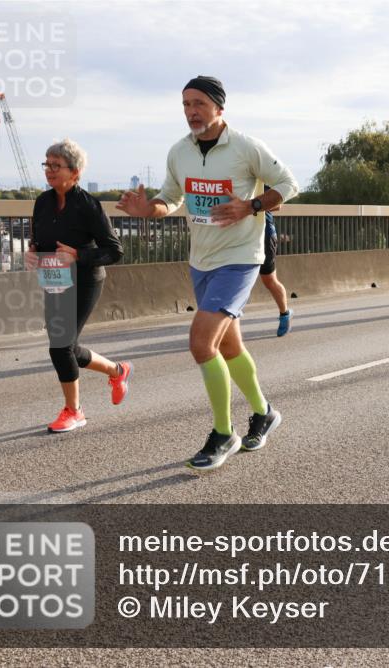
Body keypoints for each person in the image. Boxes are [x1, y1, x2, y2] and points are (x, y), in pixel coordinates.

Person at [117, 75, 298, 470]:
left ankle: (223, 433)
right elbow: (170, 198)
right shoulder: (178, 152)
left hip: (239, 258)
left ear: (219, 107)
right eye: (185, 104)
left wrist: (250, 206)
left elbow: (289, 184)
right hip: (201, 260)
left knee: (201, 343)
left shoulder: (246, 147)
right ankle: (264, 412)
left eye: (199, 103)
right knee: (229, 347)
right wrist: (149, 210)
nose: (191, 111)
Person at [27, 139, 130, 433]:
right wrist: (33, 252)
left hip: (85, 281)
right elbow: (40, 240)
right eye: (47, 164)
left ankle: (74, 411)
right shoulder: (42, 202)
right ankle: (117, 370)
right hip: (54, 279)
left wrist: (78, 255)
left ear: (75, 172)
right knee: (67, 346)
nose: (49, 170)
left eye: (56, 165)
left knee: (60, 347)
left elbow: (115, 250)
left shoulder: (88, 205)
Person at [256, 186, 293, 336]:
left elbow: (278, 205)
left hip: (264, 234)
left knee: (269, 280)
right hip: (241, 236)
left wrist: (249, 205)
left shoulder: (262, 178)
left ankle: (285, 314)